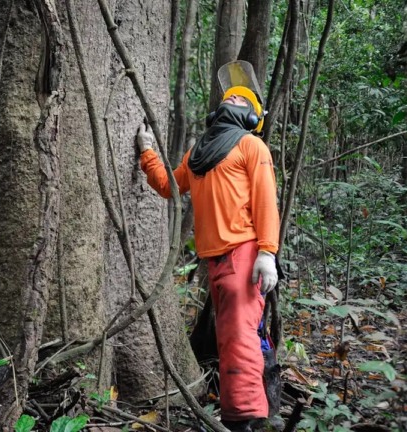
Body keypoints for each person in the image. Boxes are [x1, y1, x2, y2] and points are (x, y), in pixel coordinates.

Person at [136, 83, 280, 431]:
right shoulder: (199, 153)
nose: (233, 97)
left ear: (251, 116)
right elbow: (170, 185)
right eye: (229, 95)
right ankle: (248, 413)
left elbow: (265, 201)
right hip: (214, 261)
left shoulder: (251, 145)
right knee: (231, 337)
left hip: (243, 256)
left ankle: (243, 420)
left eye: (242, 99)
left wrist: (267, 253)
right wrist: (146, 151)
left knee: (239, 338)